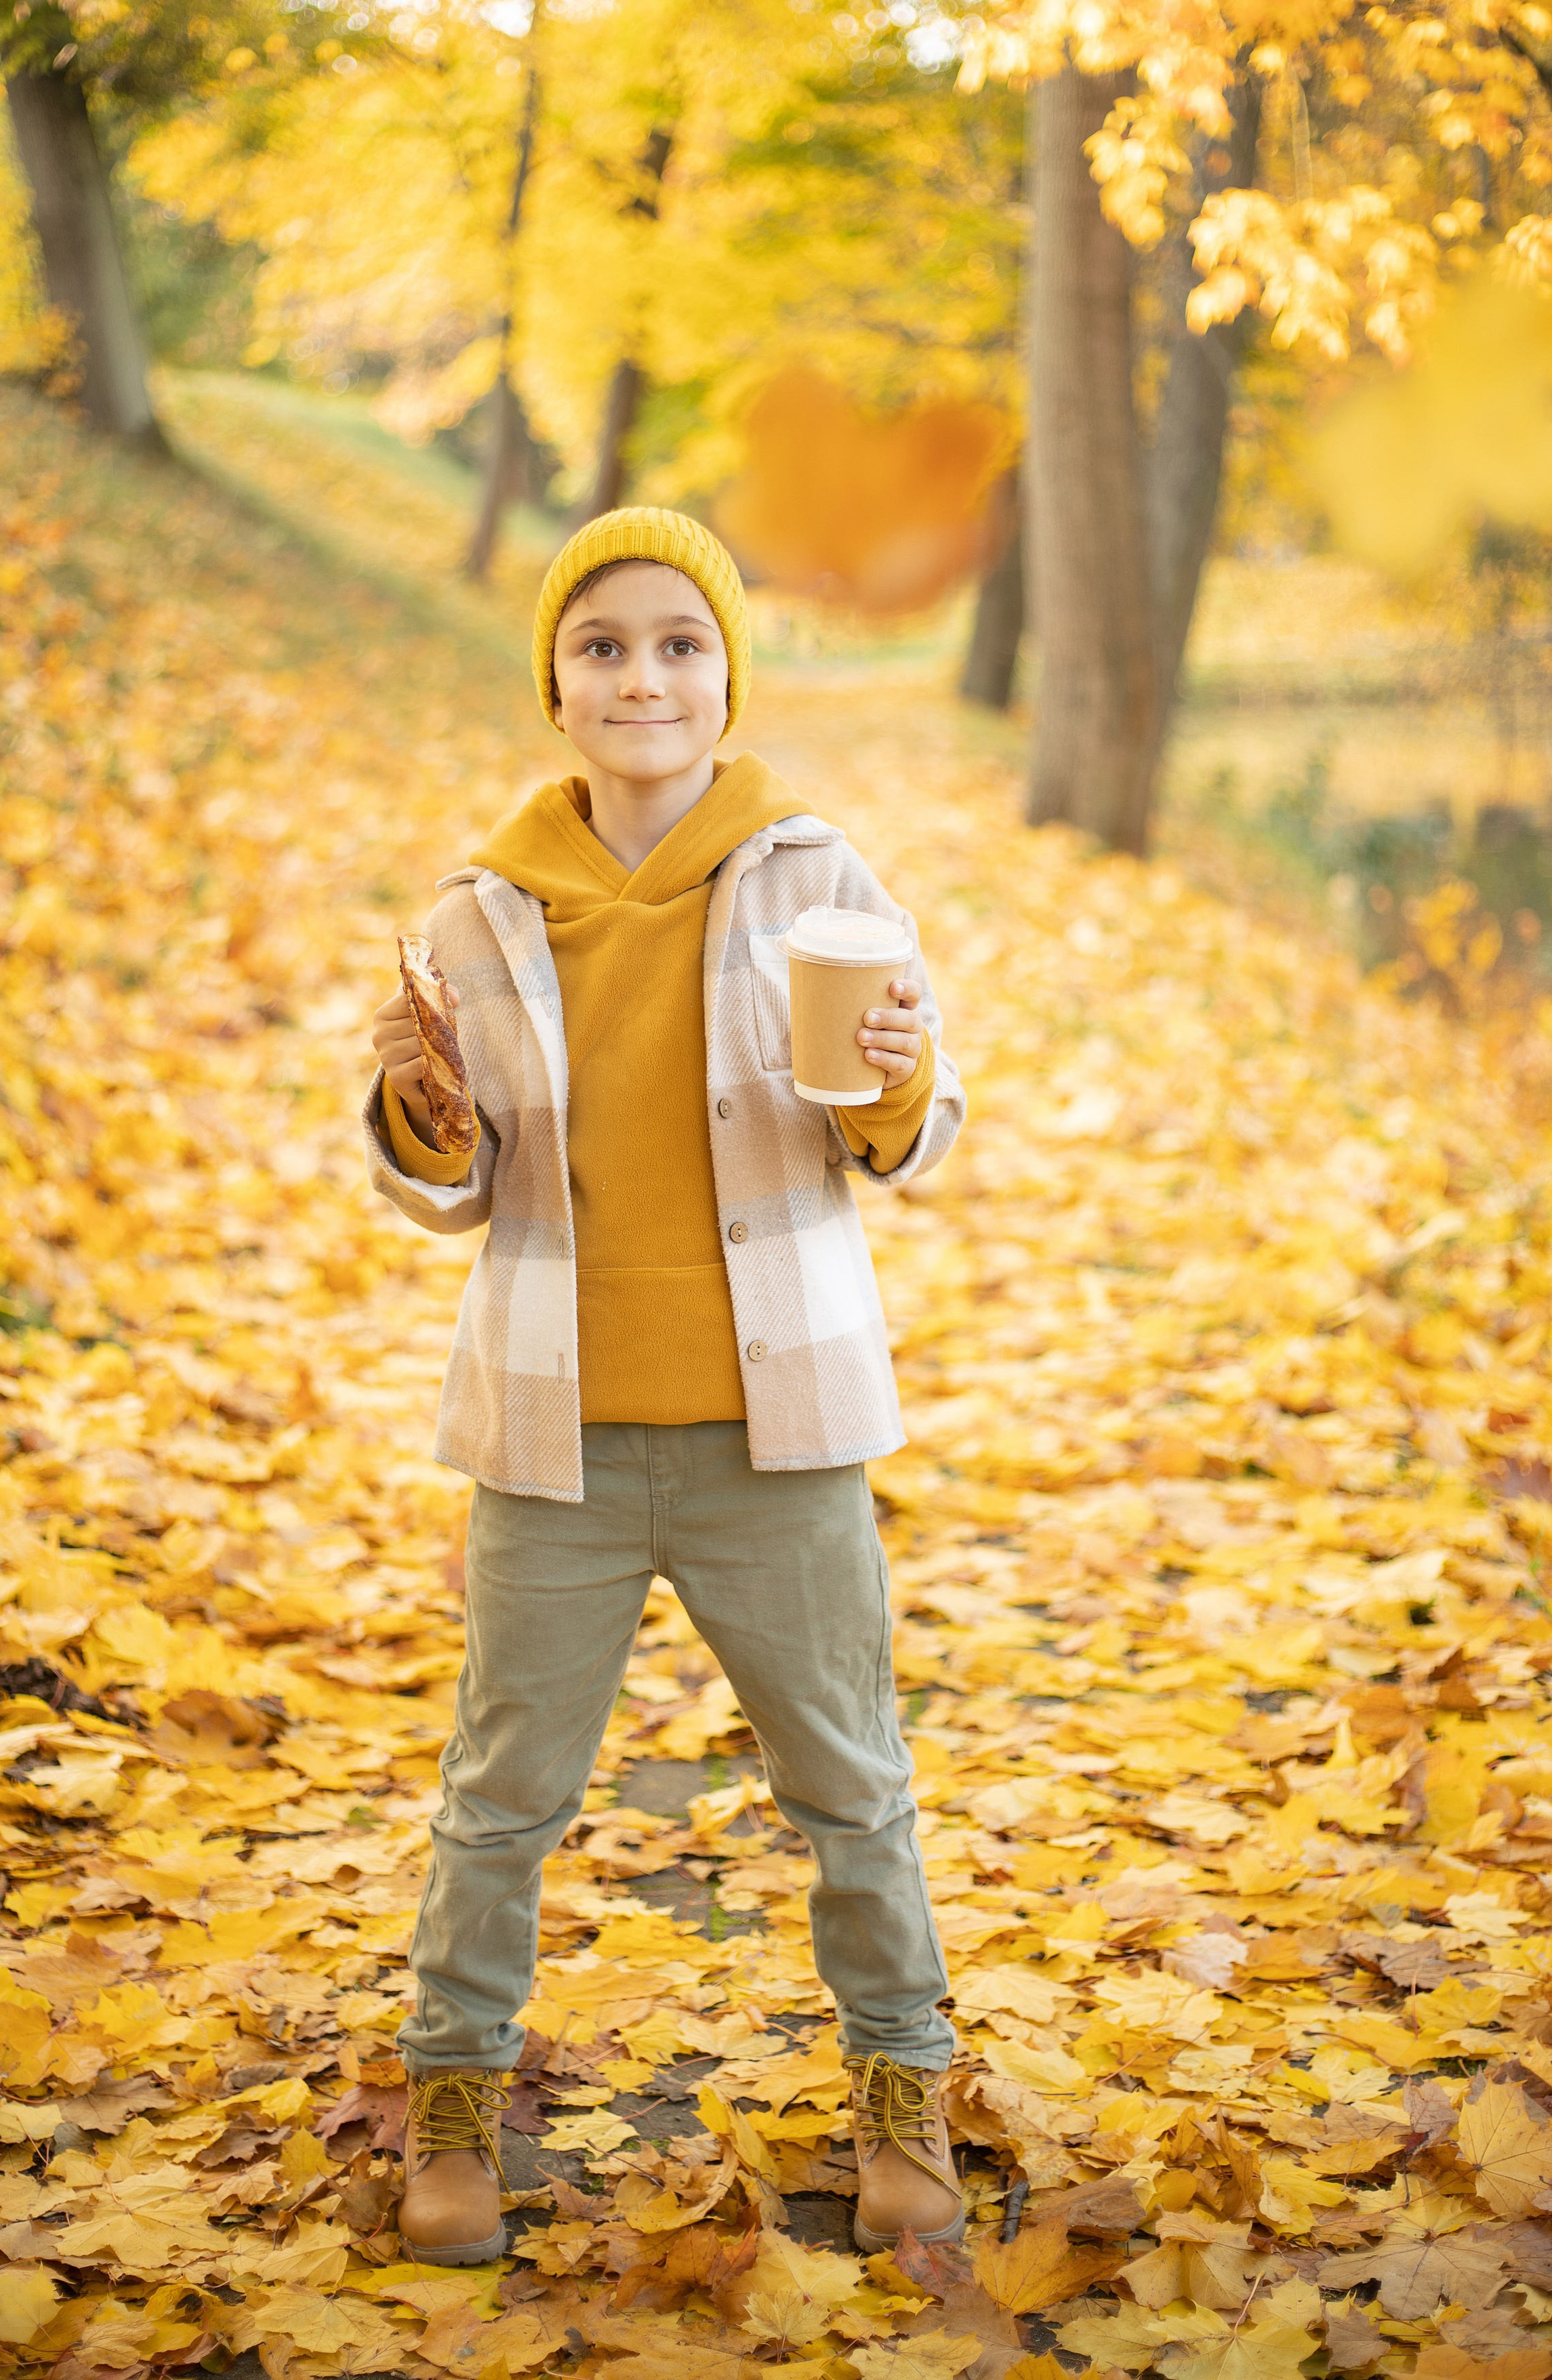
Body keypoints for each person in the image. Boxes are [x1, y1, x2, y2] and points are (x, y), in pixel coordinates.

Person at [363, 506, 966, 2267]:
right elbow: (440, 1185)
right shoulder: (474, 917)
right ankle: (456, 2100)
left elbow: (908, 1137)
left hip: (775, 1441)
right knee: (501, 1792)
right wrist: (420, 1111)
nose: (644, 675)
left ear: (727, 679)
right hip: (551, 1439)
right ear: (554, 684)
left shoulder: (817, 878)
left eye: (680, 643)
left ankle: (902, 2087)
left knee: (852, 1781)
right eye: (606, 644)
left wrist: (894, 1078)